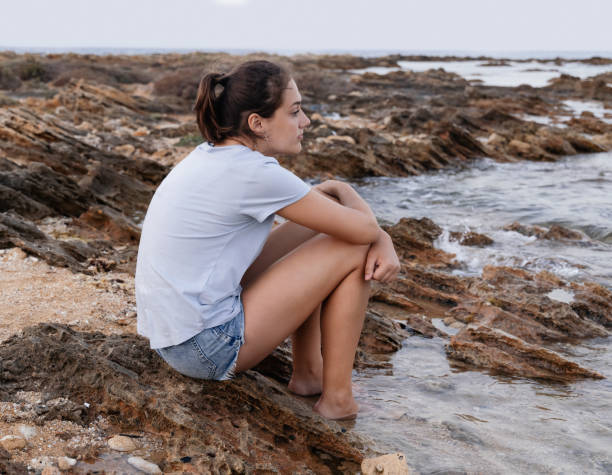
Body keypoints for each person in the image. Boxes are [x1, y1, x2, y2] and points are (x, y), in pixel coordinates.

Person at [135, 60, 400, 420]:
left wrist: (343, 202)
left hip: (175, 339)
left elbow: (336, 213)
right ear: (257, 124)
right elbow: (363, 232)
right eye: (294, 112)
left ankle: (309, 375)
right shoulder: (254, 174)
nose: (305, 121)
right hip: (206, 346)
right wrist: (353, 199)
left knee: (335, 223)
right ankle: (338, 399)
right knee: (353, 246)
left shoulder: (212, 156)